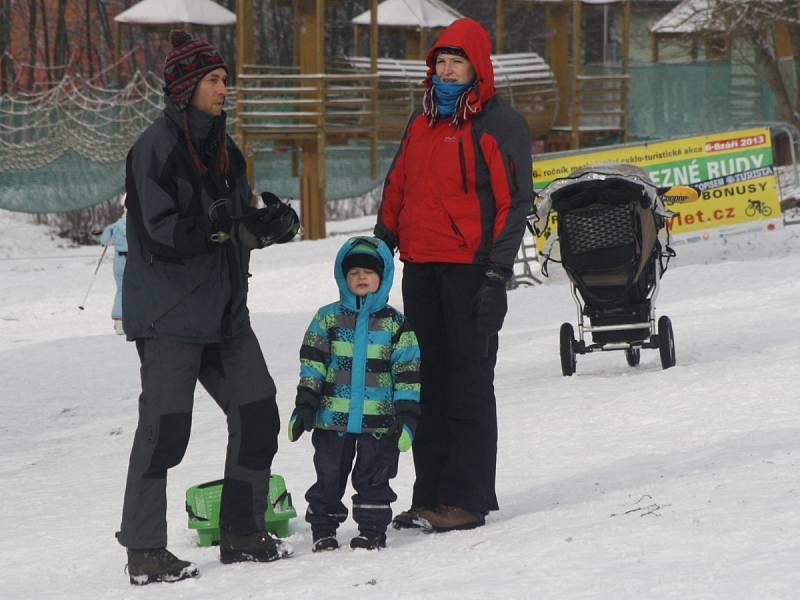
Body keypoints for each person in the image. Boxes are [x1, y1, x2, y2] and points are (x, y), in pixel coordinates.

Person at [116, 30, 300, 585]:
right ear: (185, 88)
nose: (226, 89)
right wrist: (225, 227)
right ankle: (145, 550)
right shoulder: (155, 148)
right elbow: (162, 233)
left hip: (224, 314)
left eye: (225, 80)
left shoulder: (226, 149)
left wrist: (270, 227)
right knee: (165, 430)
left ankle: (242, 533)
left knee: (259, 413)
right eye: (215, 81)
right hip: (171, 315)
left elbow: (236, 225)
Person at [373, 18, 532, 533]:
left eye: (455, 62)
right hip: (421, 268)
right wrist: (381, 244)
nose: (445, 71)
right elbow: (398, 184)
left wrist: (496, 275)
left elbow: (514, 204)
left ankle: (465, 498)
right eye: (439, 62)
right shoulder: (421, 122)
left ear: (476, 67)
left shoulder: (497, 124)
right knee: (424, 384)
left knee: (467, 383)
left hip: (471, 272)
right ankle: (430, 496)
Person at [287, 237, 421, 551]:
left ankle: (372, 530)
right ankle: (323, 527)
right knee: (328, 476)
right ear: (342, 277)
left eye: (369, 272)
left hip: (379, 422)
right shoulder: (328, 319)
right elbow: (313, 365)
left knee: (375, 478)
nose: (361, 277)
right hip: (332, 419)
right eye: (354, 272)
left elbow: (408, 373)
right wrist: (305, 405)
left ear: (383, 277)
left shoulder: (395, 324)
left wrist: (407, 417)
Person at [99, 197, 128, 335]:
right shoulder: (138, 224)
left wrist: (105, 240)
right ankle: (127, 320)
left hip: (119, 260)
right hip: (132, 261)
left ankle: (119, 322)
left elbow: (104, 239)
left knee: (121, 290)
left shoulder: (117, 225)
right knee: (135, 290)